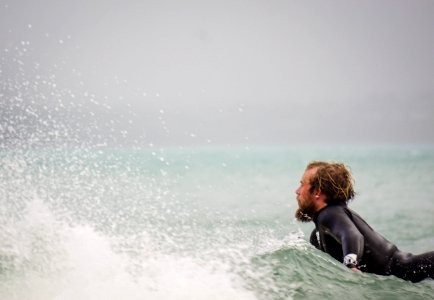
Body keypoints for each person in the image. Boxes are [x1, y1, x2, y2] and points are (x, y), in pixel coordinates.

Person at [295, 161, 434, 282]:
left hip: (409, 270)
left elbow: (352, 235)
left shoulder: (329, 214)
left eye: (302, 185)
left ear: (317, 192)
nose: (297, 191)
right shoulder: (319, 234)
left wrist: (350, 265)